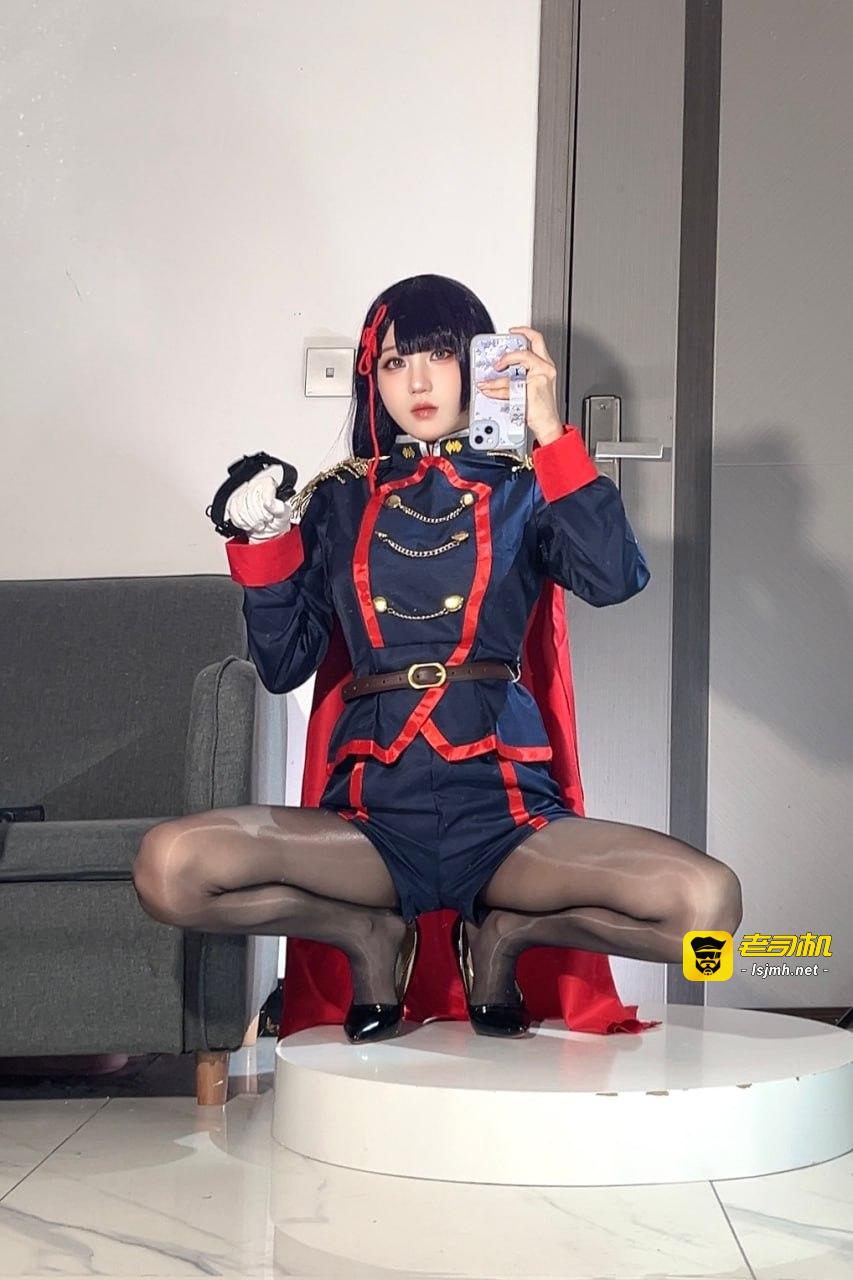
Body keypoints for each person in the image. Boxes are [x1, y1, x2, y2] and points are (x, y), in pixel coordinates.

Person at [132, 274, 743, 1044]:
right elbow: (284, 665)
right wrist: (263, 546)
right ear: (372, 378)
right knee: (169, 868)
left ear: (479, 363)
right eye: (394, 362)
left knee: (704, 909)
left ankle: (506, 935)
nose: (416, 382)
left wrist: (550, 433)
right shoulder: (336, 499)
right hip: (369, 822)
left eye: (439, 355)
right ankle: (364, 934)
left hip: (506, 815)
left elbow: (613, 578)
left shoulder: (525, 489)